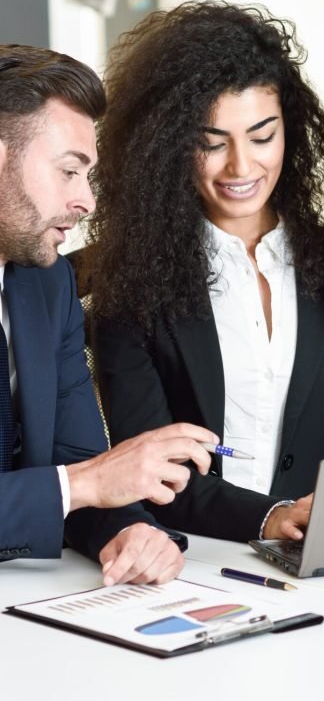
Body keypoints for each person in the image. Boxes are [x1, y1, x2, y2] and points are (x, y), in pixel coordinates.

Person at [84, 0, 324, 544]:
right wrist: (267, 518)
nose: (241, 167)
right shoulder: (133, 284)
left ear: (292, 132)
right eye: (210, 144)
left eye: (262, 137)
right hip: (192, 556)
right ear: (167, 148)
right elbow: (147, 468)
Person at [0, 44, 221, 584]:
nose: (87, 202)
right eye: (70, 172)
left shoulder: (48, 286)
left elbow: (81, 462)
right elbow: (83, 480)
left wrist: (129, 532)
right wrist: (85, 484)